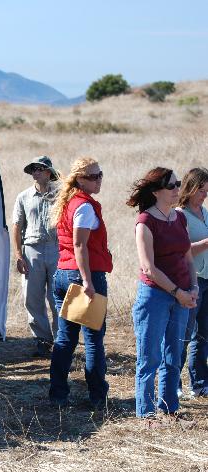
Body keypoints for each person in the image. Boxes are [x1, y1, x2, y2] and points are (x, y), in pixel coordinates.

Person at [128, 168, 197, 419]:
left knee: (174, 355)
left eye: (178, 184)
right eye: (171, 185)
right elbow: (148, 267)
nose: (177, 189)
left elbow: (187, 257)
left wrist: (194, 287)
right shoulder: (145, 221)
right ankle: (145, 414)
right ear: (156, 191)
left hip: (181, 295)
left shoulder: (180, 218)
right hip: (154, 296)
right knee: (150, 357)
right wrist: (178, 292)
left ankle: (169, 408)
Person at [47, 157, 112, 409]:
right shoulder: (84, 206)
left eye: (100, 174)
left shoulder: (69, 202)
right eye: (94, 176)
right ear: (80, 179)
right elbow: (79, 245)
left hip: (63, 273)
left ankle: (58, 395)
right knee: (93, 340)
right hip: (83, 277)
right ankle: (97, 397)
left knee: (65, 339)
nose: (99, 180)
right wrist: (87, 281)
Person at [12, 156, 60, 357]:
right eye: (33, 169)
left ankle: (61, 340)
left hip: (56, 248)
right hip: (32, 250)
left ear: (49, 172)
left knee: (58, 296)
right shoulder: (23, 197)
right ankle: (42, 339)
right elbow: (16, 226)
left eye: (40, 168)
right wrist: (18, 254)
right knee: (32, 297)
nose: (36, 172)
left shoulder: (61, 195)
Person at [177, 167, 208, 398]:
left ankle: (199, 382)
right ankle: (172, 382)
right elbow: (180, 249)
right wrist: (206, 243)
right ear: (190, 188)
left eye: (207, 191)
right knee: (183, 333)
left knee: (203, 334)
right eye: (201, 190)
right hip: (191, 281)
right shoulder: (180, 215)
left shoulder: (205, 212)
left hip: (207, 279)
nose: (204, 195)